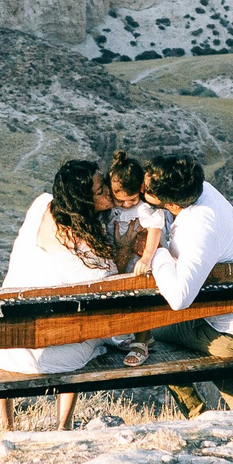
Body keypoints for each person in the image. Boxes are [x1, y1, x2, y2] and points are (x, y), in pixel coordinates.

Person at [0, 158, 118, 430]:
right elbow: (109, 288)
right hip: (48, 354)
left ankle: (5, 428)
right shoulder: (90, 252)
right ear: (83, 202)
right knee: (84, 329)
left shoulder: (41, 205)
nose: (108, 193)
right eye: (100, 191)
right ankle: (63, 424)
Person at [137, 153, 233, 416]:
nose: (141, 189)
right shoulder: (204, 191)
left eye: (147, 190)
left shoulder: (199, 229)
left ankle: (197, 412)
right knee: (194, 325)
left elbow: (179, 299)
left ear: (170, 203)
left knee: (153, 332)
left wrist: (156, 254)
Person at [101, 150, 169, 364]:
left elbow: (155, 229)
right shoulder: (112, 208)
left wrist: (146, 258)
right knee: (124, 299)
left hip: (140, 260)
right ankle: (143, 336)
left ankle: (140, 342)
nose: (127, 205)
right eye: (121, 201)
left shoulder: (145, 208)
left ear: (140, 189)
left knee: (141, 297)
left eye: (131, 199)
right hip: (121, 257)